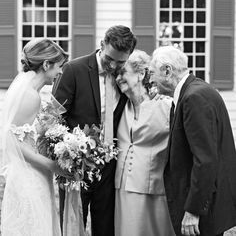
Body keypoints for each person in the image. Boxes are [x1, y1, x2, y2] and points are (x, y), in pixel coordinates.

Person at [53, 25, 137, 236]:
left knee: (106, 226)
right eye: (110, 59)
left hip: (110, 167)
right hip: (77, 166)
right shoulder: (73, 69)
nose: (114, 65)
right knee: (73, 225)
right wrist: (68, 155)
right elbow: (54, 117)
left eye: (121, 62)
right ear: (102, 45)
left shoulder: (127, 76)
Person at [149, 45, 236, 236]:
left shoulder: (193, 98)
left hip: (202, 213)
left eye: (152, 73)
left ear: (167, 71)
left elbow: (205, 160)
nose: (151, 79)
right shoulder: (195, 91)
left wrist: (193, 211)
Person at [1, 38, 70, 236]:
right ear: (46, 64)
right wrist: (52, 165)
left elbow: (25, 135)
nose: (60, 72)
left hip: (31, 172)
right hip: (29, 176)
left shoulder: (31, 91)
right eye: (59, 66)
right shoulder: (30, 96)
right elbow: (12, 142)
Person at [115, 49, 175, 236]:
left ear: (141, 73)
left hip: (155, 190)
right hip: (122, 188)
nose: (118, 78)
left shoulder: (165, 105)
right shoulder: (118, 105)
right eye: (116, 74)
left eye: (122, 72)